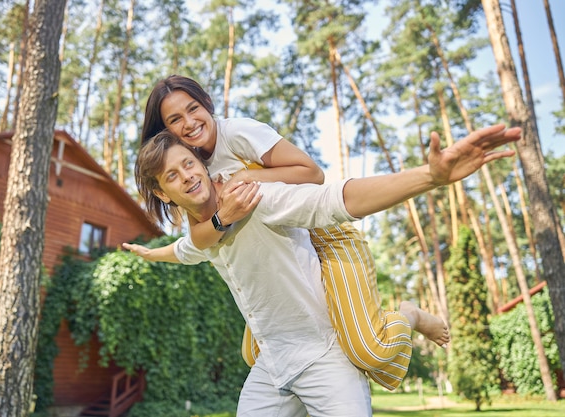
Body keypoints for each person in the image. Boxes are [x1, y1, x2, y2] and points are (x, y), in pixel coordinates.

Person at [124, 125, 520, 416]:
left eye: (189, 164)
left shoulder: (253, 198)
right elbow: (186, 250)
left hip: (325, 356)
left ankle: (408, 315)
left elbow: (333, 199)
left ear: (203, 164)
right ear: (162, 193)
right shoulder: (202, 232)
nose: (187, 176)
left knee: (372, 348)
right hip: (272, 366)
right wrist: (149, 254)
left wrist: (429, 177)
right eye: (172, 176)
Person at [131, 75, 443, 391]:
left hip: (324, 233)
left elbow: (313, 174)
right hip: (285, 246)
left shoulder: (236, 134)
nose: (189, 122)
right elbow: (199, 237)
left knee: (368, 351)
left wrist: (245, 176)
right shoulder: (189, 167)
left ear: (207, 103)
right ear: (166, 131)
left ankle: (409, 315)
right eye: (175, 119)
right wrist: (155, 252)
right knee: (256, 356)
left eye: (193, 108)